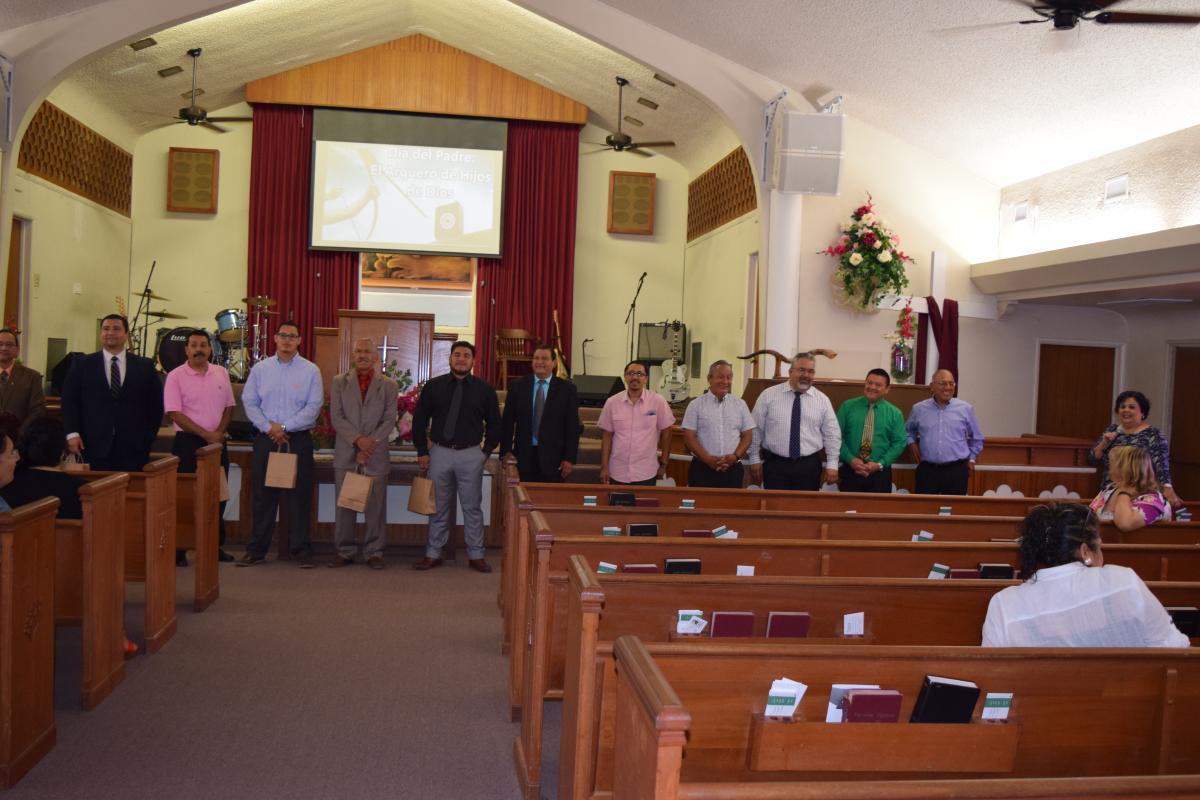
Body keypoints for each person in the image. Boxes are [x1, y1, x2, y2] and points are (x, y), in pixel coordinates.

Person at [982, 502, 1187, 647]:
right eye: (1099, 546)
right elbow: (1175, 648)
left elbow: (993, 676)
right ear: (1085, 552)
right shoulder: (1124, 582)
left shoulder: (1004, 603)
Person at [238, 321, 323, 568]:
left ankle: (301, 550)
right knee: (263, 497)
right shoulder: (260, 369)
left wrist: (284, 427)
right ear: (275, 338)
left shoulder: (311, 371)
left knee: (299, 496)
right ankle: (257, 550)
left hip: (297, 440)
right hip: (266, 439)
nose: (287, 340)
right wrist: (269, 428)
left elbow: (314, 407)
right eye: (283, 335)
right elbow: (249, 401)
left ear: (299, 341)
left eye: (292, 336)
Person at [411, 341, 500, 572]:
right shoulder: (434, 386)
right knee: (437, 507)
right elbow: (420, 419)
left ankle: (476, 555)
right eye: (457, 354)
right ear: (450, 358)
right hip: (439, 453)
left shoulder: (485, 390)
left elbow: (495, 424)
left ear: (473, 361)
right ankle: (433, 553)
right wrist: (422, 450)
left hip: (471, 455)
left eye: (466, 355)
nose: (461, 359)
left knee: (472, 507)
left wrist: (485, 452)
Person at [162, 329, 236, 565]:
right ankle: (180, 549)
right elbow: (174, 412)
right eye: (193, 345)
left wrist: (219, 434)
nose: (199, 350)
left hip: (217, 443)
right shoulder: (175, 376)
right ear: (186, 350)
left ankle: (214, 546)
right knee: (185, 496)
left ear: (210, 349)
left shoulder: (221, 373)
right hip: (188, 443)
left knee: (218, 495)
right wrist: (207, 435)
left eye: (203, 345)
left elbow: (229, 407)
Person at [328, 338, 398, 569]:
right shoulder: (339, 382)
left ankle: (374, 552)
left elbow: (389, 419)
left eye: (367, 351)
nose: (362, 355)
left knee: (376, 507)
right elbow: (337, 417)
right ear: (353, 355)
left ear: (375, 357)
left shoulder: (388, 385)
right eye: (358, 351)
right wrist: (358, 440)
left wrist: (369, 444)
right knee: (345, 505)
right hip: (346, 452)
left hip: (376, 454)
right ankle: (344, 551)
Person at [62, 314, 164, 471]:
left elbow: (156, 405)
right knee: (93, 486)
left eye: (116, 329)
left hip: (134, 446)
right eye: (106, 329)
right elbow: (69, 401)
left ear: (126, 334)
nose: (110, 333)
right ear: (100, 333)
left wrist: (148, 437)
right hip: (91, 443)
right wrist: (72, 433)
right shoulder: (82, 364)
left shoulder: (145, 366)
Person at [747, 352, 840, 491]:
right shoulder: (768, 396)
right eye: (801, 370)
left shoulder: (822, 400)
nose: (806, 375)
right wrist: (754, 458)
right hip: (775, 465)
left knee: (805, 505)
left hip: (809, 467)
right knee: (775, 504)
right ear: (790, 372)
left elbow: (832, 434)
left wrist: (832, 463)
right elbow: (755, 429)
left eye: (811, 371)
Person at [499, 344, 581, 483]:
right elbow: (507, 423)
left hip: (554, 459)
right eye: (536, 358)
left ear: (554, 363)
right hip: (523, 457)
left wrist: (569, 458)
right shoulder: (517, 386)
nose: (539, 362)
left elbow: (572, 427)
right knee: (523, 495)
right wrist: (505, 452)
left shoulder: (567, 389)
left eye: (544, 358)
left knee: (550, 496)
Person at [1090, 390, 1181, 510]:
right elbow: (1093, 459)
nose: (1126, 410)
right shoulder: (1112, 430)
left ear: (1142, 412)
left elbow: (1162, 465)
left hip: (1138, 494)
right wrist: (1104, 443)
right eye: (1122, 407)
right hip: (1109, 492)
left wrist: (1167, 487)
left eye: (1131, 407)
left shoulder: (1153, 434)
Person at [905, 369, 983, 495]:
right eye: (942, 383)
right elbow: (907, 431)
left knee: (954, 507)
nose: (948, 387)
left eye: (951, 383)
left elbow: (977, 437)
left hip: (956, 470)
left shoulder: (965, 408)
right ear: (932, 386)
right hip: (928, 470)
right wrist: (911, 443)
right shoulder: (919, 409)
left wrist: (972, 459)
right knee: (924, 506)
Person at [598, 360, 674, 486]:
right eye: (631, 373)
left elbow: (667, 432)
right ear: (625, 377)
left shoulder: (658, 401)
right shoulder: (612, 402)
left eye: (639, 374)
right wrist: (604, 467)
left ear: (646, 379)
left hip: (646, 472)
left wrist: (664, 463)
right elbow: (606, 437)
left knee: (644, 500)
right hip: (617, 471)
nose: (635, 377)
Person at [680, 360, 754, 488]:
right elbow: (689, 437)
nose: (725, 381)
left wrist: (735, 457)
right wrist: (708, 459)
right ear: (709, 378)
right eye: (721, 377)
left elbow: (747, 435)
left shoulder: (740, 404)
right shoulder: (695, 405)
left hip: (733, 469)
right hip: (702, 469)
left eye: (729, 377)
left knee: (730, 502)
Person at [836, 369, 907, 494]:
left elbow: (899, 443)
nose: (872, 387)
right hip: (850, 471)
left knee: (878, 507)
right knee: (848, 507)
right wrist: (851, 459)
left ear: (887, 389)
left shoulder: (895, 414)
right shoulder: (847, 407)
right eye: (869, 383)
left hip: (880, 474)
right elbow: (836, 437)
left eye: (878, 385)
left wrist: (880, 464)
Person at [0, 416, 85, 518]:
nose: (15, 459)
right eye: (11, 454)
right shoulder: (83, 490)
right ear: (62, 452)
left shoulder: (7, 482)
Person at [1089, 446, 1171, 531]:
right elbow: (1089, 516)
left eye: (1111, 464)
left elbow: (1125, 524)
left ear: (1124, 469)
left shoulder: (1153, 500)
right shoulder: (1110, 488)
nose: (1108, 469)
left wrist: (1124, 493)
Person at [0, 328, 46, 424]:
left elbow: (37, 411)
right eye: (0, 344)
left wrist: (20, 432)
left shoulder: (32, 377)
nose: (4, 348)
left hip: (20, 432)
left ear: (17, 350)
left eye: (9, 344)